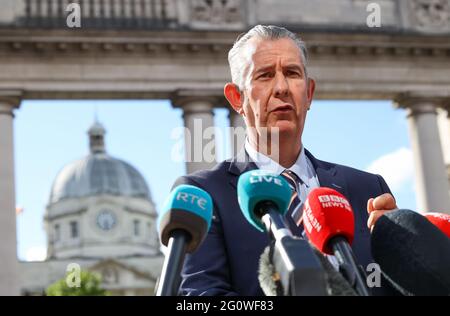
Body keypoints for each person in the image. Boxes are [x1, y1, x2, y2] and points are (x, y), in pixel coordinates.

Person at [173, 25, 398, 296]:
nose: (281, 88)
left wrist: (406, 258)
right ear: (237, 98)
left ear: (309, 93)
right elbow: (201, 297)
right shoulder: (204, 194)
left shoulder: (368, 189)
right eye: (264, 75)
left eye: (292, 74)